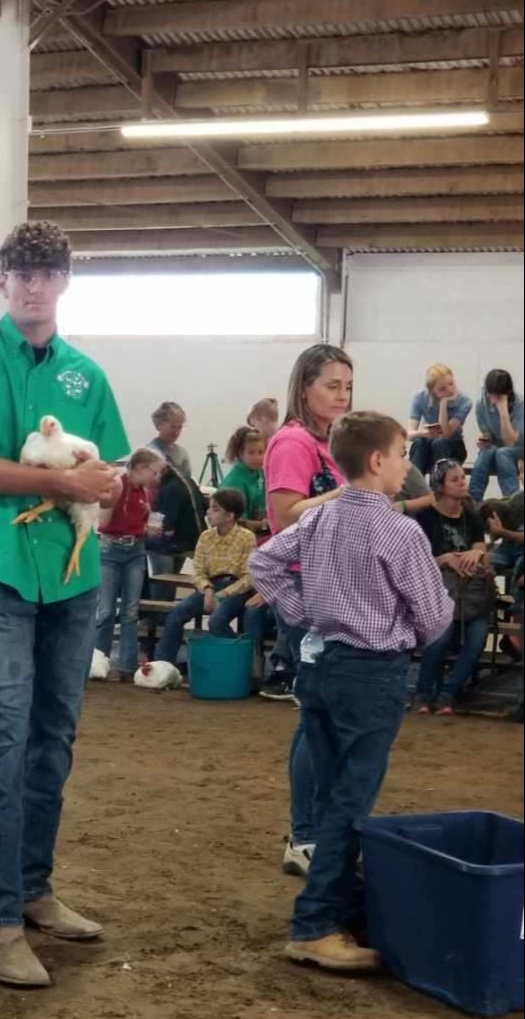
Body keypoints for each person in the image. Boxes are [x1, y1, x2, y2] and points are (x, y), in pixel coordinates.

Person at [0, 221, 128, 989]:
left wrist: (101, 482)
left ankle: (35, 888)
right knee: (5, 735)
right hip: (2, 570)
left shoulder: (86, 374)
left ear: (64, 282)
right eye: (22, 271)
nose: (35, 284)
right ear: (3, 281)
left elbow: (106, 467)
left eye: (48, 272)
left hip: (73, 577)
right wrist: (66, 482)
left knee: (54, 734)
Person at [249, 411, 452, 972]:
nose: (408, 464)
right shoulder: (399, 530)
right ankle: (314, 924)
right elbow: (434, 617)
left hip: (320, 665)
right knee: (349, 800)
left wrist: (304, 614)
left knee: (333, 791)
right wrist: (406, 632)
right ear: (378, 461)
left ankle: (341, 907)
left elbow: (263, 561)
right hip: (372, 673)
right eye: (404, 453)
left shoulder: (321, 521)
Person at [261, 344, 352, 882]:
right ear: (305, 387)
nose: (341, 395)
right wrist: (353, 496)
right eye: (332, 386)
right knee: (319, 716)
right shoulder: (293, 443)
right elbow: (284, 516)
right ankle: (305, 832)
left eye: (347, 387)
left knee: (324, 715)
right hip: (303, 592)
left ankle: (314, 829)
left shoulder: (333, 445)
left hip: (332, 588)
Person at [152, 487, 266, 667]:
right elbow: (198, 570)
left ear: (229, 516)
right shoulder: (205, 536)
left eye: (215, 509)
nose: (208, 512)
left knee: (217, 621)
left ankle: (242, 655)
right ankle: (163, 664)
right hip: (210, 586)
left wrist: (222, 594)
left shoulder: (246, 537)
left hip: (235, 589)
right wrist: (207, 589)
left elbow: (248, 577)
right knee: (176, 614)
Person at [413, 459, 491, 716]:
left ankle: (448, 693)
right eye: (455, 479)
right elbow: (417, 561)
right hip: (436, 592)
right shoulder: (425, 518)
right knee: (441, 636)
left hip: (469, 594)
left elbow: (481, 548)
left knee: (478, 637)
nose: (462, 482)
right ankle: (423, 693)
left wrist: (474, 553)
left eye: (462, 477)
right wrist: (445, 559)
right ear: (441, 486)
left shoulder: (471, 514)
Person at [94, 448, 165, 681]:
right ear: (142, 468)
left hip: (134, 550)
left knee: (130, 611)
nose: (157, 477)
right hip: (111, 549)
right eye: (155, 471)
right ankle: (98, 661)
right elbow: (103, 521)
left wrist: (146, 528)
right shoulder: (118, 484)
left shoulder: (143, 492)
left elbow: (135, 521)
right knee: (105, 611)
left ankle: (126, 666)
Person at [145, 462, 207, 600]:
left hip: (179, 542)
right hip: (194, 538)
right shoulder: (187, 479)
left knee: (141, 545)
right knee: (170, 579)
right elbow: (204, 506)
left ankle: (153, 612)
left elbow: (168, 530)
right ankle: (164, 609)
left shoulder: (170, 489)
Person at [406, 363, 472, 475]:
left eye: (451, 384)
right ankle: (414, 488)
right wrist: (423, 433)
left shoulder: (464, 402)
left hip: (453, 446)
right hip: (428, 445)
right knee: (419, 442)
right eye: (442, 389)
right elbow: (409, 434)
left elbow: (446, 434)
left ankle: (437, 488)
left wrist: (443, 403)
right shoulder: (420, 397)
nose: (450, 390)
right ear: (433, 392)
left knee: (440, 442)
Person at [470, 369, 523, 501]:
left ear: (507, 394)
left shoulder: (519, 404)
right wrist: (484, 441)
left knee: (503, 453)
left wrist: (503, 411)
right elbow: (487, 434)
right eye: (490, 395)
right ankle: (472, 502)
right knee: (486, 452)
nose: (493, 401)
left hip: (519, 448)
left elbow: (511, 442)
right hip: (498, 449)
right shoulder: (482, 404)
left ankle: (513, 503)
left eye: (498, 397)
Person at [220, 426, 269, 538]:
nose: (257, 457)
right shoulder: (234, 482)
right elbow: (235, 523)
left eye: (261, 452)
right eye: (251, 453)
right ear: (240, 454)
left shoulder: (261, 473)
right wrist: (263, 525)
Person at [147, 401, 191, 476]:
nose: (176, 432)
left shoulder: (182, 453)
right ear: (158, 425)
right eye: (173, 427)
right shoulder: (148, 453)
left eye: (179, 427)